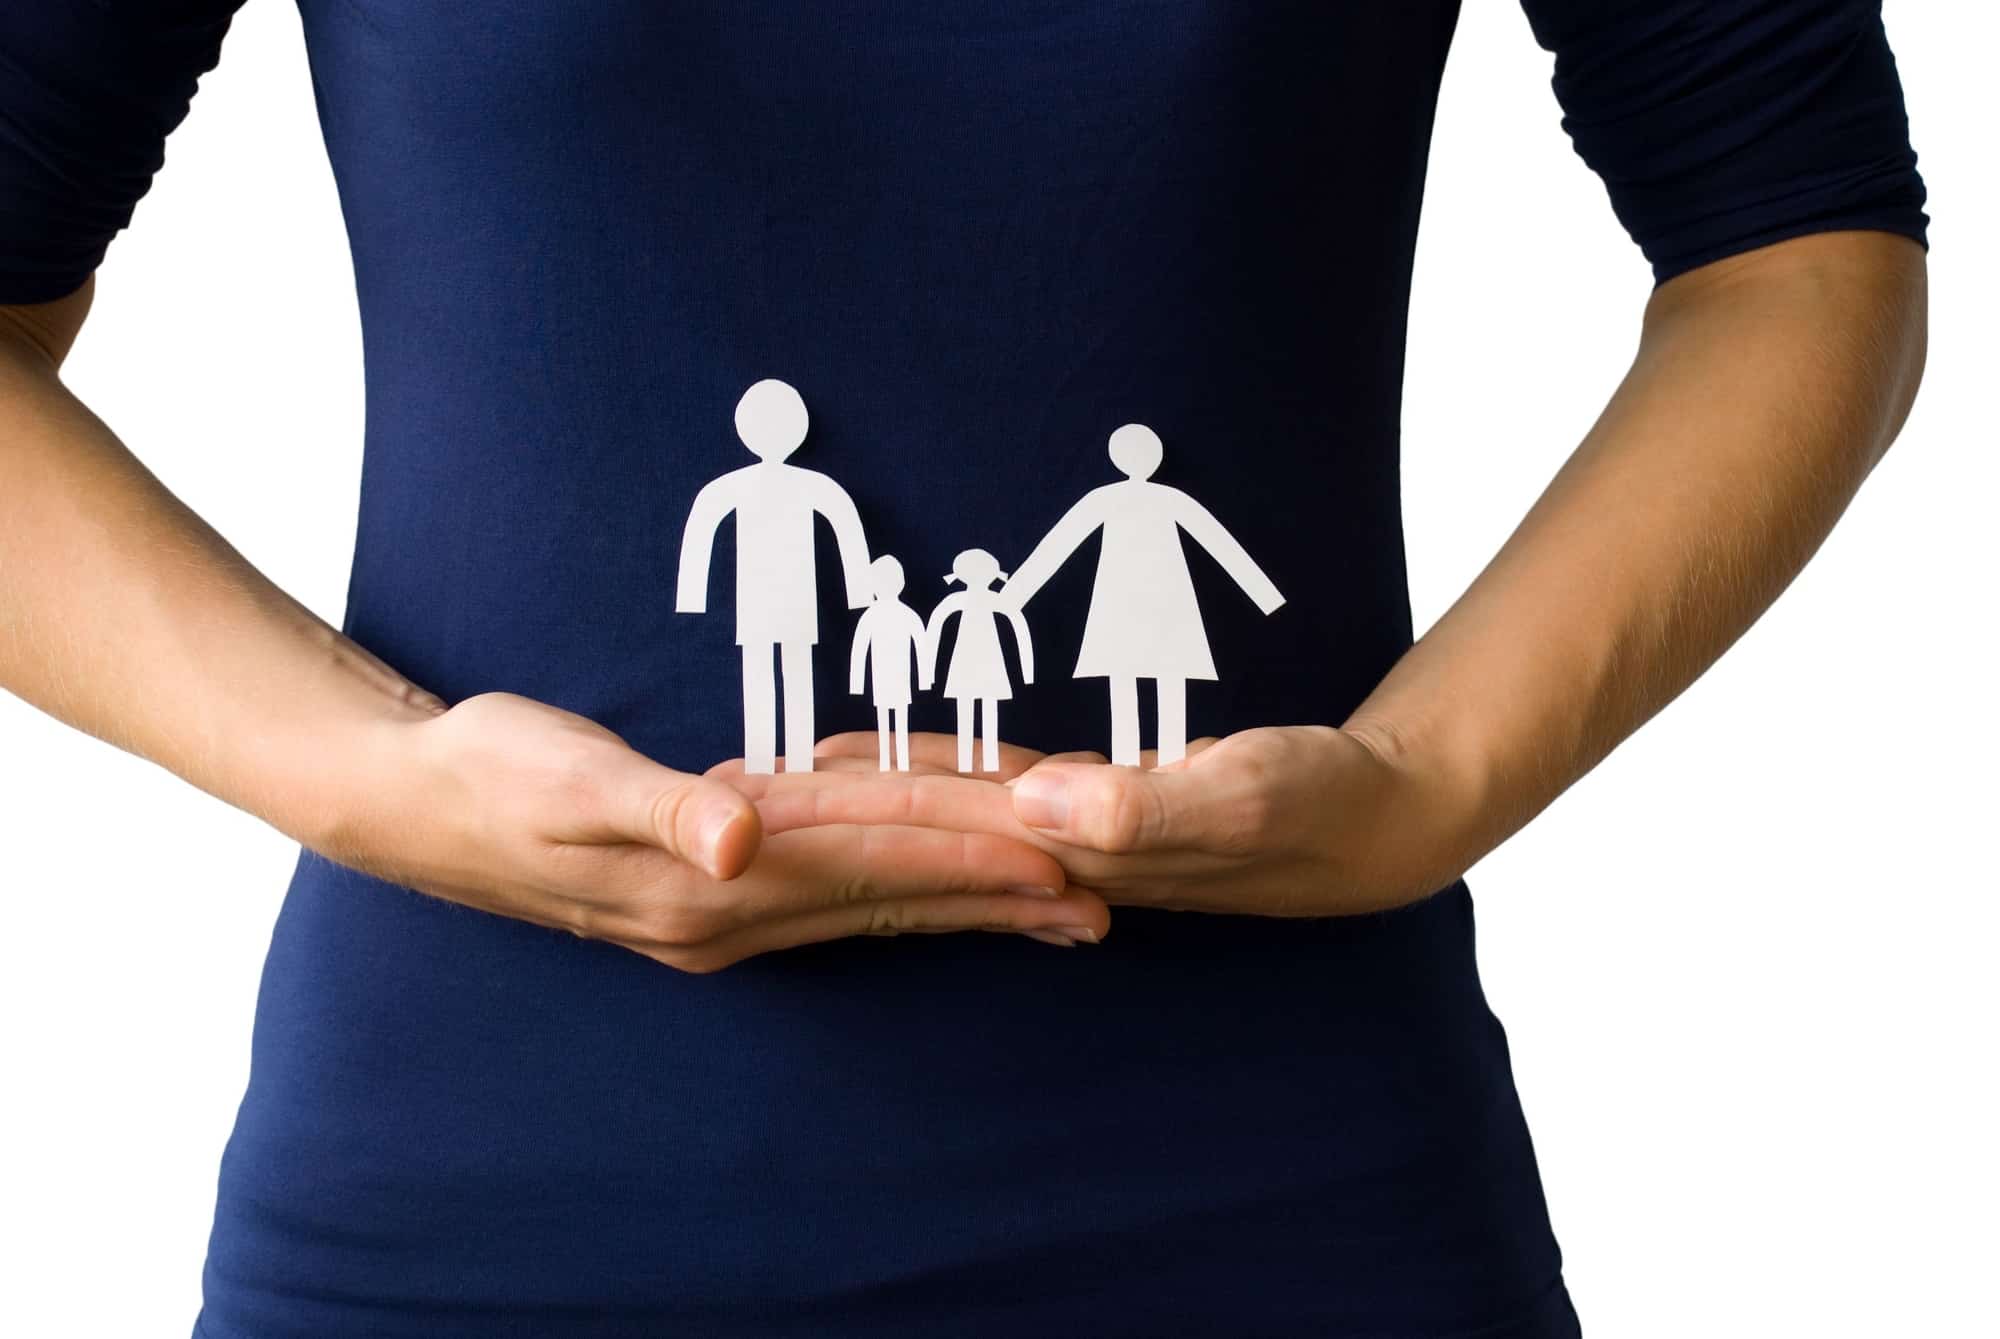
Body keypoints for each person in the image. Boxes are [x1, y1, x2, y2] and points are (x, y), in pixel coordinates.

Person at [0, 3, 1928, 1336]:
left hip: (1282, 1186)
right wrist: (372, 776)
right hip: (466, 1208)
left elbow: (1796, 237)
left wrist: (1432, 776)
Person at [1004, 423, 1284, 766]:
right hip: (1145, 599)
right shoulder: (1163, 498)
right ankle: (1137, 764)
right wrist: (1009, 599)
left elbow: (1059, 544)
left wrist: (1010, 597)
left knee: (1134, 678)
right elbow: (1218, 541)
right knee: (1158, 677)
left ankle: (1155, 765)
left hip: (1147, 599)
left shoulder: (1110, 498)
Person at [677, 378, 872, 775]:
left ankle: (794, 760)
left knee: (785, 676)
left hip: (790, 601)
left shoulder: (756, 486)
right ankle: (765, 759)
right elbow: (702, 527)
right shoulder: (789, 485)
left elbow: (846, 526)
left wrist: (862, 591)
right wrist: (691, 595)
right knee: (770, 677)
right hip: (763, 601)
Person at [925, 548, 1035, 774]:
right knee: (973, 709)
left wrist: (1028, 671)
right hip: (967, 662)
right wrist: (927, 671)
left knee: (983, 708)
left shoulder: (984, 600)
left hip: (986, 661)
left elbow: (1019, 627)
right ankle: (968, 761)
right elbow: (936, 624)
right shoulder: (965, 599)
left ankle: (984, 760)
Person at [848, 554, 932, 772]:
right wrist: (856, 684)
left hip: (897, 677)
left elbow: (922, 647)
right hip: (883, 677)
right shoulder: (879, 615)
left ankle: (898, 761)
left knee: (895, 719)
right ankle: (889, 760)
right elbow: (859, 650)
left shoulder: (900, 615)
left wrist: (925, 679)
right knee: (888, 720)